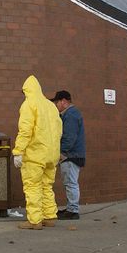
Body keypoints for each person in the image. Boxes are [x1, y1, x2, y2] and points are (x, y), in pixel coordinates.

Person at [13, 76, 63, 230]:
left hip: (35, 155)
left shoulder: (29, 104)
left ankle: (34, 221)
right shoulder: (50, 105)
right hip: (51, 155)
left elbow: (25, 130)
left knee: (32, 186)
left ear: (26, 90)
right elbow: (59, 130)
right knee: (47, 186)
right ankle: (49, 217)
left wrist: (18, 151)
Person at [51, 90, 86, 220]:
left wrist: (61, 152)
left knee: (70, 182)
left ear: (63, 102)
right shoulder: (71, 114)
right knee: (70, 182)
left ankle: (72, 210)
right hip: (74, 154)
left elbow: (69, 137)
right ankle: (71, 208)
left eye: (56, 103)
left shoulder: (70, 115)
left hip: (71, 155)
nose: (55, 106)